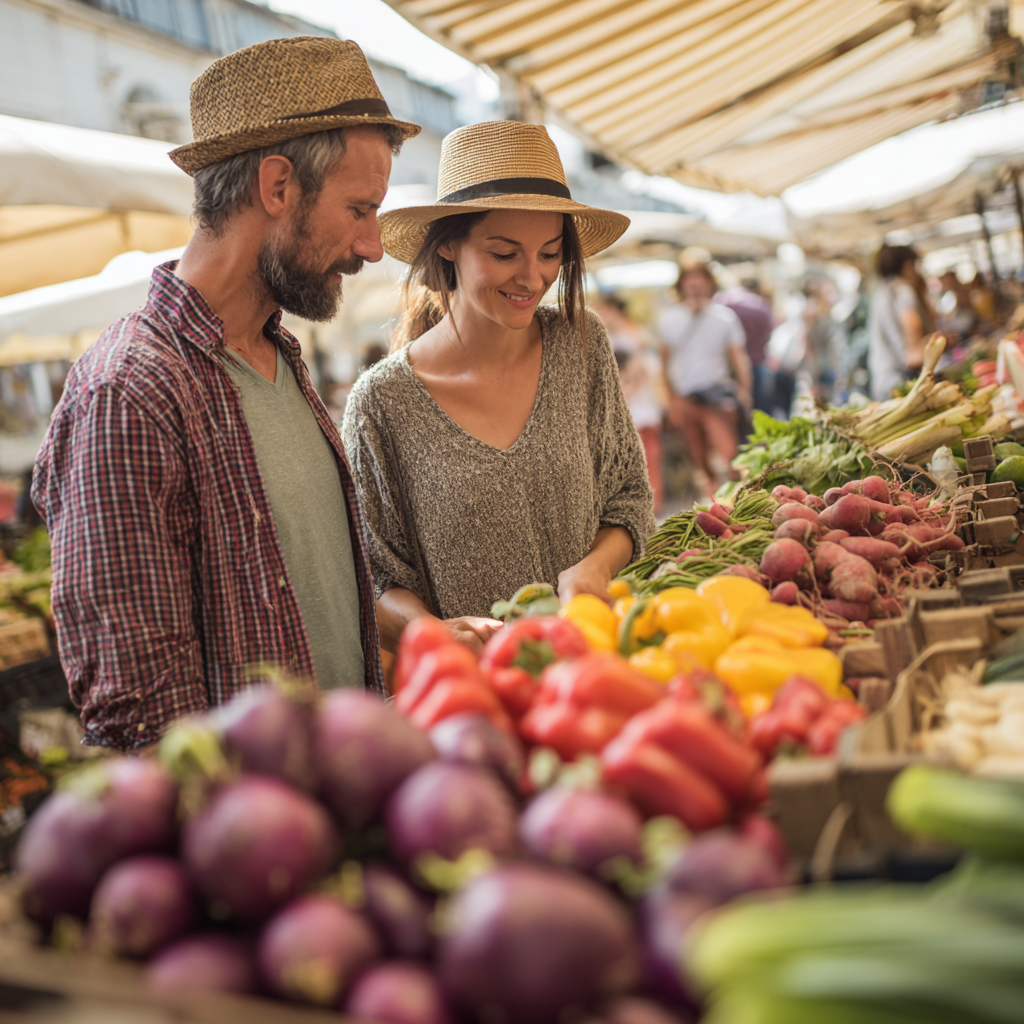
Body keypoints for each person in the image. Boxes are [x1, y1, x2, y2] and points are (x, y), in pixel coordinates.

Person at [30, 38, 420, 750]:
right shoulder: (128, 393)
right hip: (262, 843)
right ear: (277, 187)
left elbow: (297, 586)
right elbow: (141, 715)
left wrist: (412, 634)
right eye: (360, 208)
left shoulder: (280, 356)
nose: (372, 246)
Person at [341, 121, 654, 641]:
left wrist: (595, 567)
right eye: (504, 254)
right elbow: (377, 576)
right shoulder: (381, 404)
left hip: (598, 664)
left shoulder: (580, 344)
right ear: (448, 247)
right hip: (477, 695)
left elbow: (628, 498)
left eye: (550, 254)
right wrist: (437, 631)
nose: (532, 279)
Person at [658, 262, 752, 494]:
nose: (695, 286)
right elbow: (664, 363)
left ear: (710, 284)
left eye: (700, 281)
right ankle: (715, 503)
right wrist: (671, 399)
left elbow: (738, 357)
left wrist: (744, 390)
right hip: (685, 396)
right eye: (690, 282)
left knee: (730, 453)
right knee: (698, 456)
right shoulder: (669, 319)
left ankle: (739, 496)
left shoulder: (725, 318)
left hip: (716, 394)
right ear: (682, 286)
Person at [595, 293, 665, 513]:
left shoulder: (634, 337)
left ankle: (652, 505)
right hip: (626, 413)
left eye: (606, 310)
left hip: (641, 412)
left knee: (648, 459)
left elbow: (644, 371)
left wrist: (624, 392)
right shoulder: (609, 338)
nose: (603, 314)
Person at [867, 244, 933, 401]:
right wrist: (917, 350)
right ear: (908, 265)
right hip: (900, 381)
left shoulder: (880, 291)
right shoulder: (902, 289)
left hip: (881, 379)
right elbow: (912, 322)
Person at [714, 278, 773, 412]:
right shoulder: (761, 305)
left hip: (729, 366)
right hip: (757, 362)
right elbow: (769, 332)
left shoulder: (724, 302)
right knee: (759, 409)